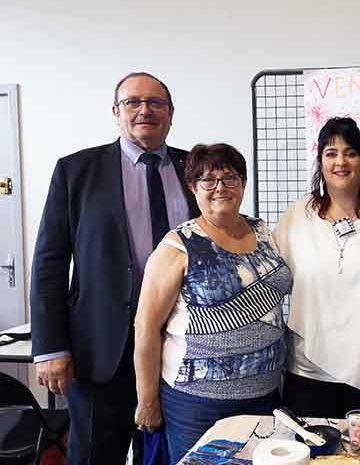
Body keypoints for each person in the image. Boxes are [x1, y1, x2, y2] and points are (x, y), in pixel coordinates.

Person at [30, 72, 199, 464]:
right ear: (115, 111)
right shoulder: (77, 171)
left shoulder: (194, 170)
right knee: (94, 456)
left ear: (171, 114)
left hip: (179, 347)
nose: (145, 110)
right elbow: (49, 264)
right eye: (133, 102)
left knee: (163, 456)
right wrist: (51, 347)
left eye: (156, 103)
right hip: (101, 353)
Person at [133, 143, 291, 464]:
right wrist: (147, 400)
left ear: (243, 184)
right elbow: (146, 328)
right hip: (197, 405)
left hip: (264, 396)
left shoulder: (265, 233)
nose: (220, 187)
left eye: (230, 177)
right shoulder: (178, 246)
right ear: (193, 188)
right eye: (208, 180)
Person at [274, 117, 360, 418]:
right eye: (331, 153)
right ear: (320, 162)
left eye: (350, 152)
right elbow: (268, 273)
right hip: (309, 369)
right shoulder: (297, 217)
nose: (341, 161)